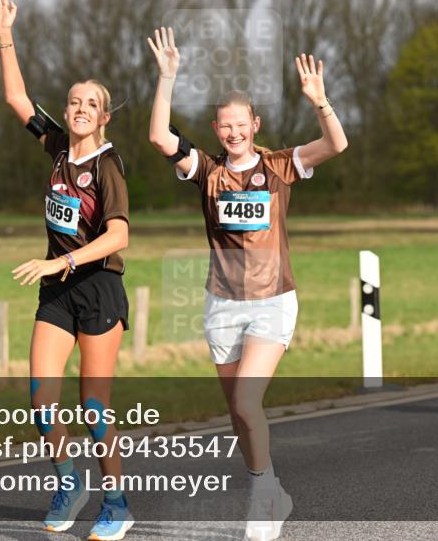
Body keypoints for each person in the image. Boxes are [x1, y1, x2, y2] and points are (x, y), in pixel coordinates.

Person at [146, 27, 348, 541]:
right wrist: (167, 77)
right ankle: (272, 488)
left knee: (245, 404)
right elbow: (158, 137)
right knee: (238, 415)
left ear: (254, 124)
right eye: (226, 126)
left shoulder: (280, 166)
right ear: (217, 129)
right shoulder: (208, 172)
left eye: (242, 124)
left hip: (272, 302)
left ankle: (261, 497)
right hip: (222, 306)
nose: (234, 132)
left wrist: (321, 103)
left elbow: (336, 144)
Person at [0, 0, 133, 540]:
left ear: (103, 115)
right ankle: (69, 482)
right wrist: (5, 36)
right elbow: (16, 98)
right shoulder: (56, 148)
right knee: (41, 400)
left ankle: (115, 502)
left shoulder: (108, 164)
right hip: (58, 294)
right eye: (73, 102)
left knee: (94, 409)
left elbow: (120, 233)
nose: (78, 109)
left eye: (89, 104)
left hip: (99, 290)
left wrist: (60, 261)